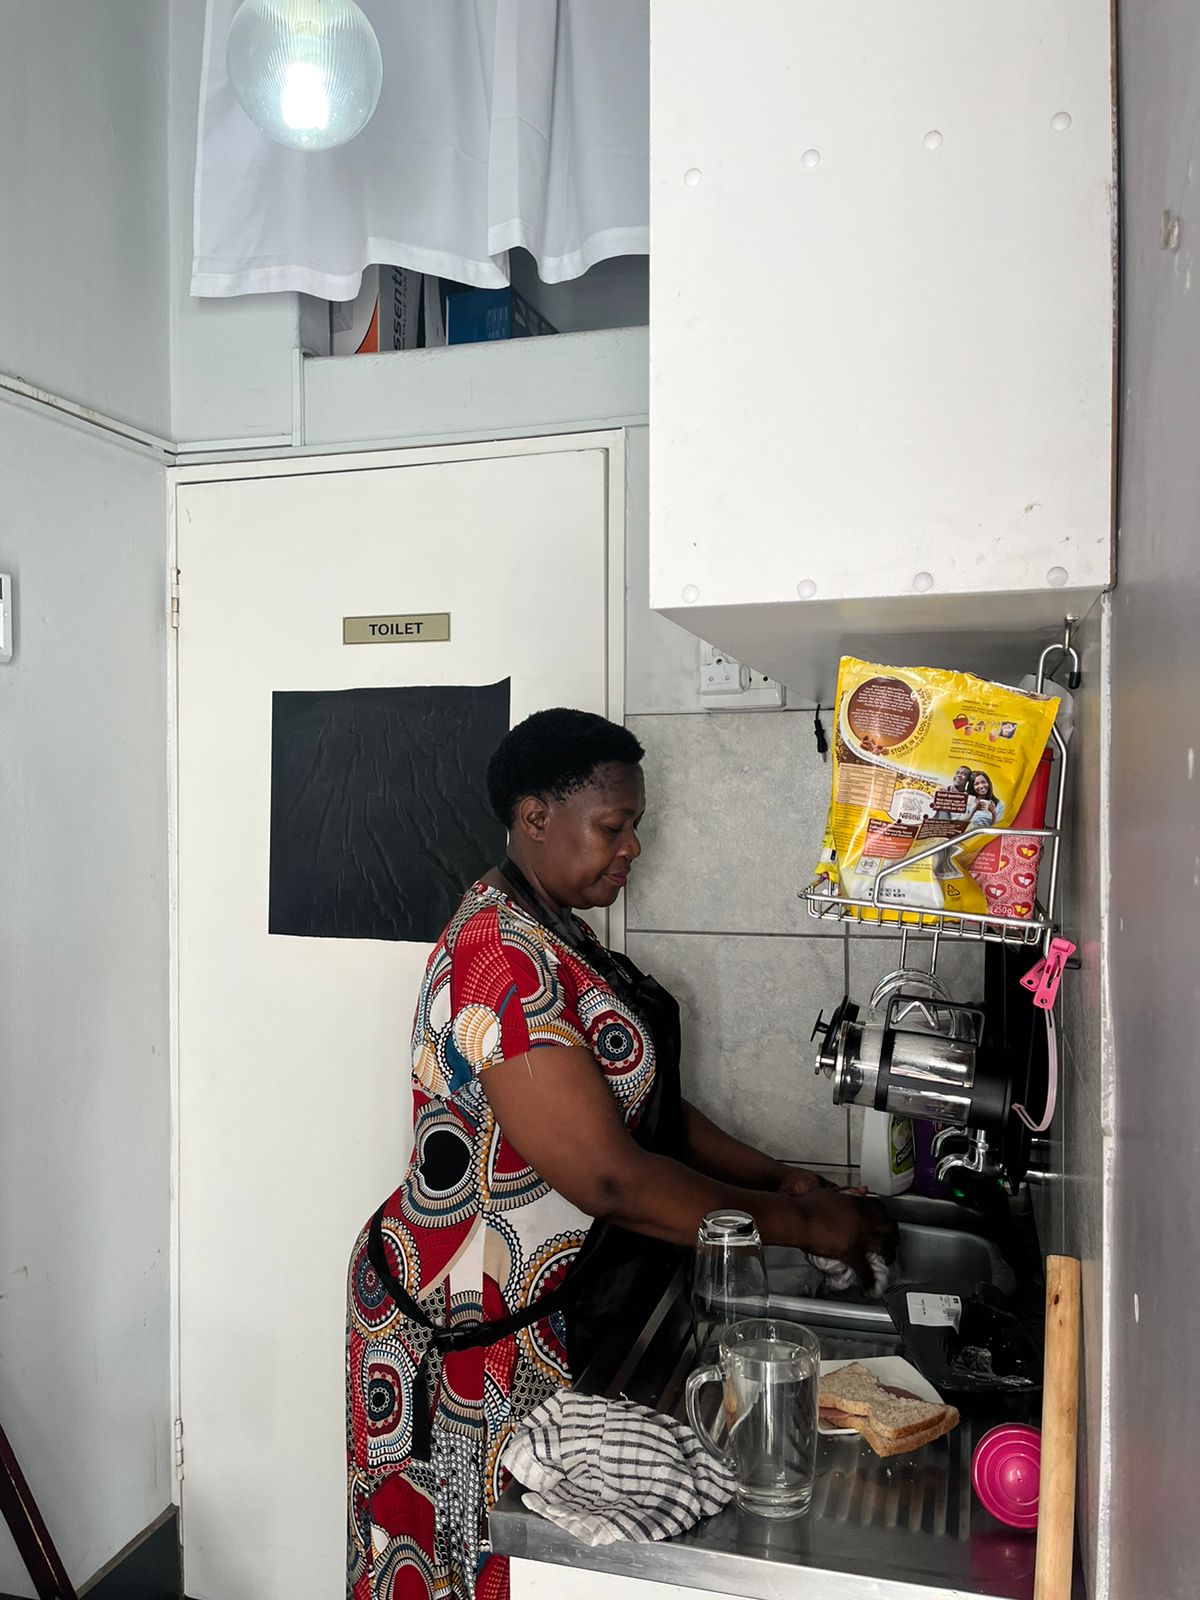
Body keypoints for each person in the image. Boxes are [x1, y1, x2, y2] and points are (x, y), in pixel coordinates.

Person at [345, 709, 896, 1600]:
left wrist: (771, 1176)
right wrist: (803, 1225)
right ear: (534, 817)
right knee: (471, 1563)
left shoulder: (559, 932)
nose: (632, 846)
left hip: (538, 1307)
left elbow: (646, 1110)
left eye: (633, 825)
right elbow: (610, 1176)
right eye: (614, 825)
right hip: (465, 1329)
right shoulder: (502, 958)